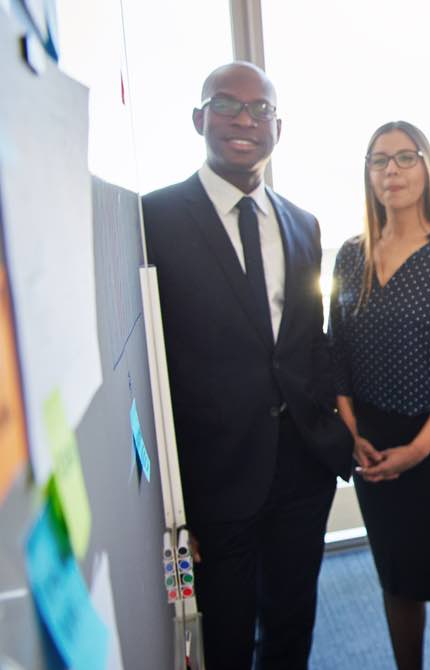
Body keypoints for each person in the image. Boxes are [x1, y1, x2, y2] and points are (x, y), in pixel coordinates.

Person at [141, 62, 352, 669]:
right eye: (227, 104)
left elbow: (308, 340)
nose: (244, 119)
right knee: (228, 635)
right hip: (217, 475)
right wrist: (174, 502)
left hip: (302, 466)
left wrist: (339, 433)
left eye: (260, 110)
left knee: (291, 625)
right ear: (198, 118)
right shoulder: (153, 219)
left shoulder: (302, 224)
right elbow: (157, 369)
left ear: (277, 129)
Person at [328, 120, 430, 670]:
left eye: (405, 157)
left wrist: (419, 449)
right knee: (395, 576)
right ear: (368, 173)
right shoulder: (351, 256)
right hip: (371, 438)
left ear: (427, 167)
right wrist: (352, 435)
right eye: (380, 160)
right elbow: (338, 352)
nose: (392, 170)